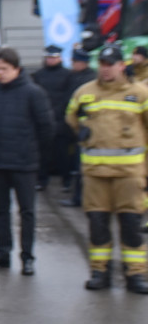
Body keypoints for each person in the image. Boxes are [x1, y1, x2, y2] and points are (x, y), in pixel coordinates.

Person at [66, 43, 148, 294]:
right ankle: (99, 271)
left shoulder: (139, 93)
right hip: (95, 173)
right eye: (102, 64)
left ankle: (136, 274)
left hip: (129, 174)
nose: (106, 69)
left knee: (131, 224)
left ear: (121, 65)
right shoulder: (85, 92)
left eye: (110, 64)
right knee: (98, 224)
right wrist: (83, 130)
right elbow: (71, 116)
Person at [0, 48, 54, 276]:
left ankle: (27, 257)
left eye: (4, 69)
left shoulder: (34, 93)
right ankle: (3, 252)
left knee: (27, 212)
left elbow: (47, 128)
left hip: (24, 163)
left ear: (17, 68)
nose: (0, 73)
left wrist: (34, 153)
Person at [32, 45, 74, 191]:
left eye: (54, 57)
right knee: (43, 153)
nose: (51, 60)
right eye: (49, 57)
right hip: (43, 120)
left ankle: (66, 180)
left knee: (62, 153)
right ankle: (42, 180)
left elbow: (69, 97)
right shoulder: (39, 75)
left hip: (60, 119)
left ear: (59, 58)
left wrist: (59, 114)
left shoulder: (68, 75)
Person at [59, 48, 97, 207]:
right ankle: (76, 194)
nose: (73, 64)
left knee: (83, 166)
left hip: (88, 130)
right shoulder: (71, 76)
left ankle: (80, 198)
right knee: (76, 163)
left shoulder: (91, 79)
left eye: (76, 62)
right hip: (75, 127)